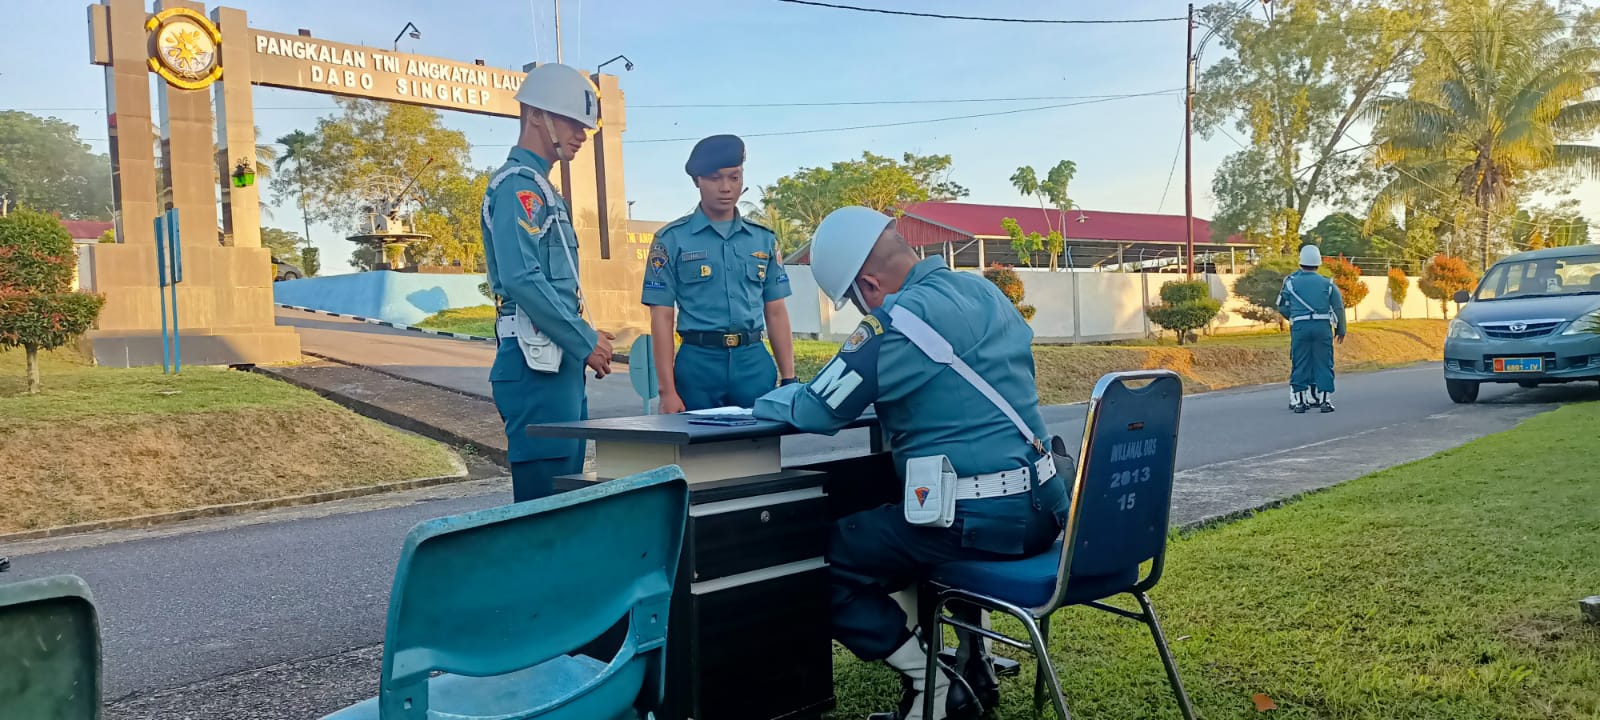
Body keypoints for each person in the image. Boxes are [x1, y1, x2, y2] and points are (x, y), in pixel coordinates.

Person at [754, 207, 1069, 720]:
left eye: (856, 302)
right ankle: (974, 658)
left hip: (980, 521)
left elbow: (817, 409)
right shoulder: (989, 292)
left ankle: (935, 688)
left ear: (869, 286)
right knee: (918, 511)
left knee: (818, 561)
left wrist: (766, 400)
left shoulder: (895, 322)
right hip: (1045, 509)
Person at [481, 63, 615, 502]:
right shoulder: (517, 187)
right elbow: (522, 278)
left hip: (556, 363)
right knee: (544, 509)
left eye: (585, 127)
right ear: (536, 115)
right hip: (534, 363)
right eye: (572, 122)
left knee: (565, 498)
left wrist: (582, 341)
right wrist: (584, 339)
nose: (580, 134)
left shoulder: (542, 189)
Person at [641, 134, 797, 412]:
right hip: (698, 366)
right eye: (715, 178)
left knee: (759, 450)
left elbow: (775, 310)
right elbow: (662, 317)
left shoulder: (763, 240)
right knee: (699, 453)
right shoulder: (671, 240)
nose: (725, 188)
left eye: (734, 178)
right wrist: (667, 391)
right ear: (697, 180)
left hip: (753, 364)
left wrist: (789, 379)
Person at [1278, 244, 1346, 413]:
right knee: (1323, 362)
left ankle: (1300, 403)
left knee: (1300, 362)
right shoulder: (1327, 283)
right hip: (1322, 327)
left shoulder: (1291, 283)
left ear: (1300, 263)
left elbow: (1281, 305)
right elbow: (1338, 308)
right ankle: (1324, 401)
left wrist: (1293, 317)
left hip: (1300, 327)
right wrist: (1340, 329)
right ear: (1318, 263)